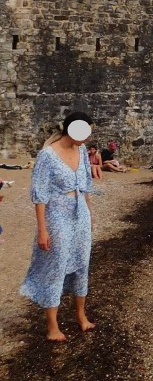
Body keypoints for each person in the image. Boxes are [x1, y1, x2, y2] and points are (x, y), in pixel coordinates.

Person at [20, 110, 97, 341]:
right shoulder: (48, 155)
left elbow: (86, 185)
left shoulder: (82, 150)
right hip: (56, 215)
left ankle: (81, 316)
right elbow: (40, 194)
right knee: (56, 266)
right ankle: (53, 327)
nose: (87, 138)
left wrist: (90, 214)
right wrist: (42, 229)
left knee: (82, 264)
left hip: (79, 213)